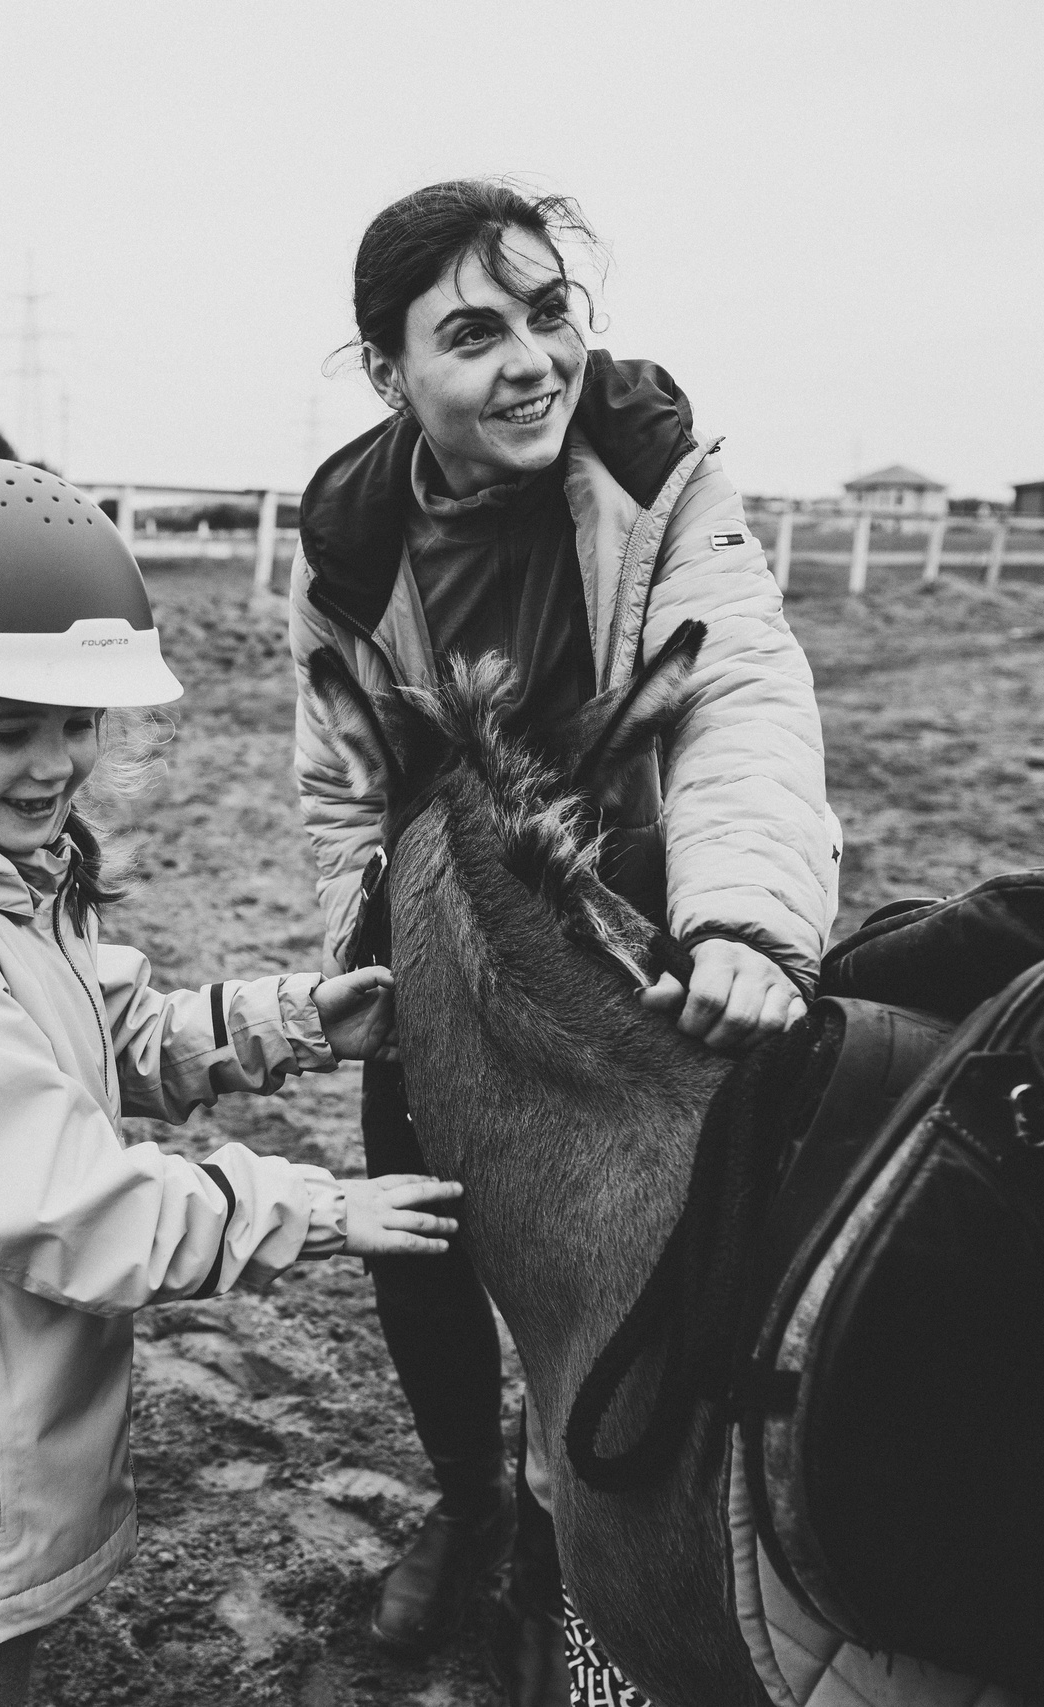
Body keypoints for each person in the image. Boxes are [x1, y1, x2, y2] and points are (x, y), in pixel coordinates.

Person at [0, 458, 467, 1707]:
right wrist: (310, 1210)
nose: (55, 766)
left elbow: (101, 1027)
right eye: (9, 728)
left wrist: (291, 1021)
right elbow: (75, 1205)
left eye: (77, 724)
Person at [288, 181, 841, 1704]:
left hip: (644, 920)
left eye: (550, 314)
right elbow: (339, 776)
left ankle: (567, 1549)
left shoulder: (660, 475)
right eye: (473, 332)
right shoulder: (346, 547)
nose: (531, 360)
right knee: (416, 1209)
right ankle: (474, 1505)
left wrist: (742, 914)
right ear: (391, 374)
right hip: (448, 946)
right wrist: (370, 952)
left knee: (644, 1257)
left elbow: (738, 696)